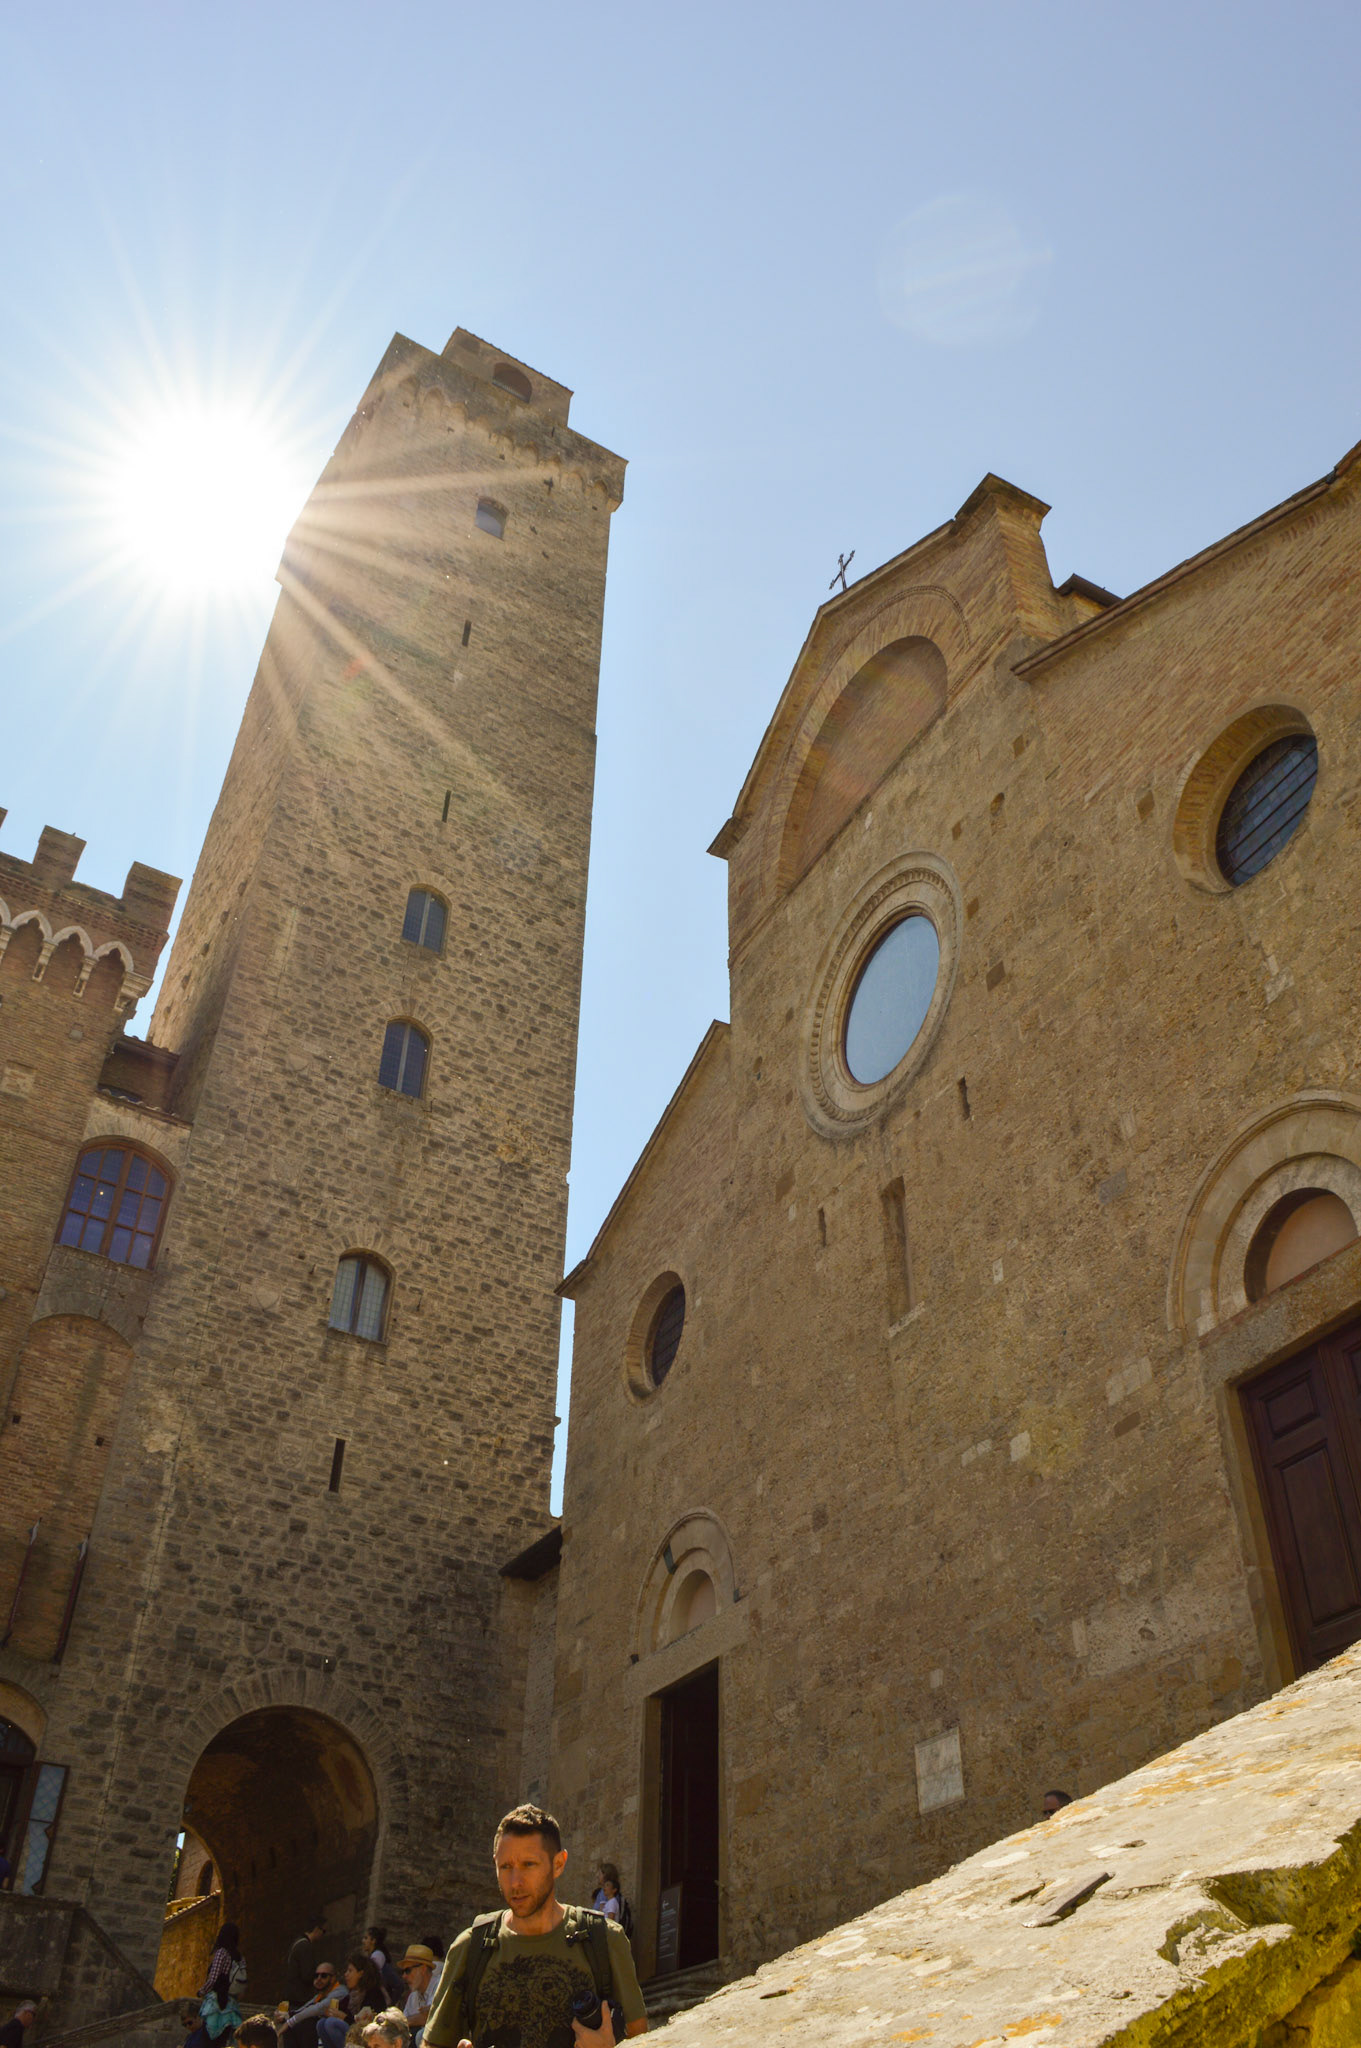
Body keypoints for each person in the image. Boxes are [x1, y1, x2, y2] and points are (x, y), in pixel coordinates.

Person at [424, 1803, 647, 2048]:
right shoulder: (470, 1948)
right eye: (505, 1867)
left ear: (559, 1864)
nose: (515, 1882)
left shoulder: (605, 1941)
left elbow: (645, 2039)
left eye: (529, 1865)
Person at [187, 1923, 246, 2048]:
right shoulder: (239, 1958)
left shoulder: (221, 1953)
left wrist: (201, 1991)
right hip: (231, 2006)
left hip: (216, 2004)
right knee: (222, 2042)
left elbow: (213, 1978)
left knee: (208, 2041)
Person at [318, 1955, 385, 2048]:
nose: (346, 1974)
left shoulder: (373, 1994)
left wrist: (344, 2017)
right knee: (321, 2023)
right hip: (354, 2034)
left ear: (361, 1974)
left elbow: (367, 2024)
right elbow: (339, 2009)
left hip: (368, 2037)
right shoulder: (352, 1995)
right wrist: (330, 2012)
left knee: (331, 2023)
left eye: (350, 1971)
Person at [281, 1961, 342, 2048]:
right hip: (322, 2030)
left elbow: (318, 2008)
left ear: (333, 1978)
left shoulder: (340, 1991)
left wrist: (290, 2022)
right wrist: (287, 2016)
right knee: (293, 2025)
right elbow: (304, 2009)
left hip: (338, 2031)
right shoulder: (320, 1995)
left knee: (307, 2024)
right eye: (316, 1976)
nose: (319, 1979)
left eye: (323, 1976)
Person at [397, 1946, 440, 2043]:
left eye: (408, 1970)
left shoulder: (440, 1985)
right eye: (402, 1972)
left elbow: (432, 2017)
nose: (404, 1976)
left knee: (420, 2035)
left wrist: (405, 2022)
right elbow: (402, 2023)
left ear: (423, 1969)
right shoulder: (413, 1996)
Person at [286, 1920, 328, 2011]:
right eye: (323, 1931)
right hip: (299, 1997)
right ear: (316, 1929)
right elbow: (307, 1974)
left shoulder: (299, 1943)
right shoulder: (305, 1946)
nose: (323, 1935)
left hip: (293, 1994)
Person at [363, 1931, 405, 2009]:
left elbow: (374, 1977)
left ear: (373, 1940)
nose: (363, 1941)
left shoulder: (377, 1955)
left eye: (366, 1938)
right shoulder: (375, 1955)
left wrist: (389, 2001)